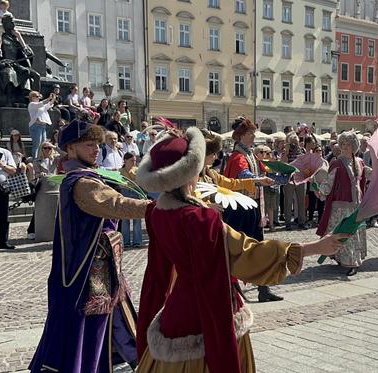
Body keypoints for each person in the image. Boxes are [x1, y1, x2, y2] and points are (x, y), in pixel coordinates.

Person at [133, 125, 346, 372]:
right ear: (190, 172)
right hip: (212, 313)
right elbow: (248, 253)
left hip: (177, 312)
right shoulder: (201, 220)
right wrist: (314, 247)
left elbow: (157, 275)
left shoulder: (157, 214)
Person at [29, 119, 151, 372]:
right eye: (88, 145)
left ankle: (135, 361)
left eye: (97, 144)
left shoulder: (87, 176)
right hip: (88, 273)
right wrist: (157, 209)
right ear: (70, 149)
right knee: (94, 324)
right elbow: (115, 204)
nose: (96, 149)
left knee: (117, 318)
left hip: (104, 267)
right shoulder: (82, 183)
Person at [223, 116, 283, 303]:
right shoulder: (238, 156)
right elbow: (244, 174)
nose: (253, 136)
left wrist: (286, 174)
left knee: (257, 249)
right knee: (237, 250)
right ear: (241, 136)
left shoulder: (250, 155)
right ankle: (232, 288)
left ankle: (262, 289)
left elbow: (264, 171)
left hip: (251, 207)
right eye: (250, 133)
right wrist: (260, 179)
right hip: (239, 209)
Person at [316, 131, 368, 276]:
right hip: (341, 204)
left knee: (353, 232)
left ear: (354, 146)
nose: (345, 147)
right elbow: (328, 183)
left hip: (356, 204)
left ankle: (352, 259)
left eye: (348, 144)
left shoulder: (360, 162)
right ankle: (348, 261)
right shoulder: (337, 163)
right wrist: (320, 191)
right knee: (344, 232)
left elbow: (365, 178)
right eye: (343, 144)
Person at [282, 132, 306, 230]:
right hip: (289, 179)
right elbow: (283, 163)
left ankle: (302, 222)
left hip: (300, 179)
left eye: (296, 142)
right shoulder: (285, 151)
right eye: (292, 143)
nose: (294, 145)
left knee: (301, 201)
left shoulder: (302, 151)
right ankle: (288, 222)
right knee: (288, 201)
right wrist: (287, 152)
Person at [120, 151, 143, 248]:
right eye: (131, 160)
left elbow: (140, 182)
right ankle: (126, 241)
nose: (134, 162)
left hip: (136, 193)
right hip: (125, 193)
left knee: (137, 219)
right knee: (125, 219)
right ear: (125, 160)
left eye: (135, 160)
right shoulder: (120, 171)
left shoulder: (137, 170)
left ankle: (137, 241)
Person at [27, 90, 55, 159]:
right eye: (37, 96)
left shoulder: (39, 105)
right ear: (32, 97)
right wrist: (48, 98)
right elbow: (41, 104)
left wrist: (53, 98)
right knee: (37, 145)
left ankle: (42, 159)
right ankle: (35, 160)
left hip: (43, 126)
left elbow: (48, 105)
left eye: (39, 96)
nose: (38, 97)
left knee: (43, 144)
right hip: (36, 126)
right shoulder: (32, 104)